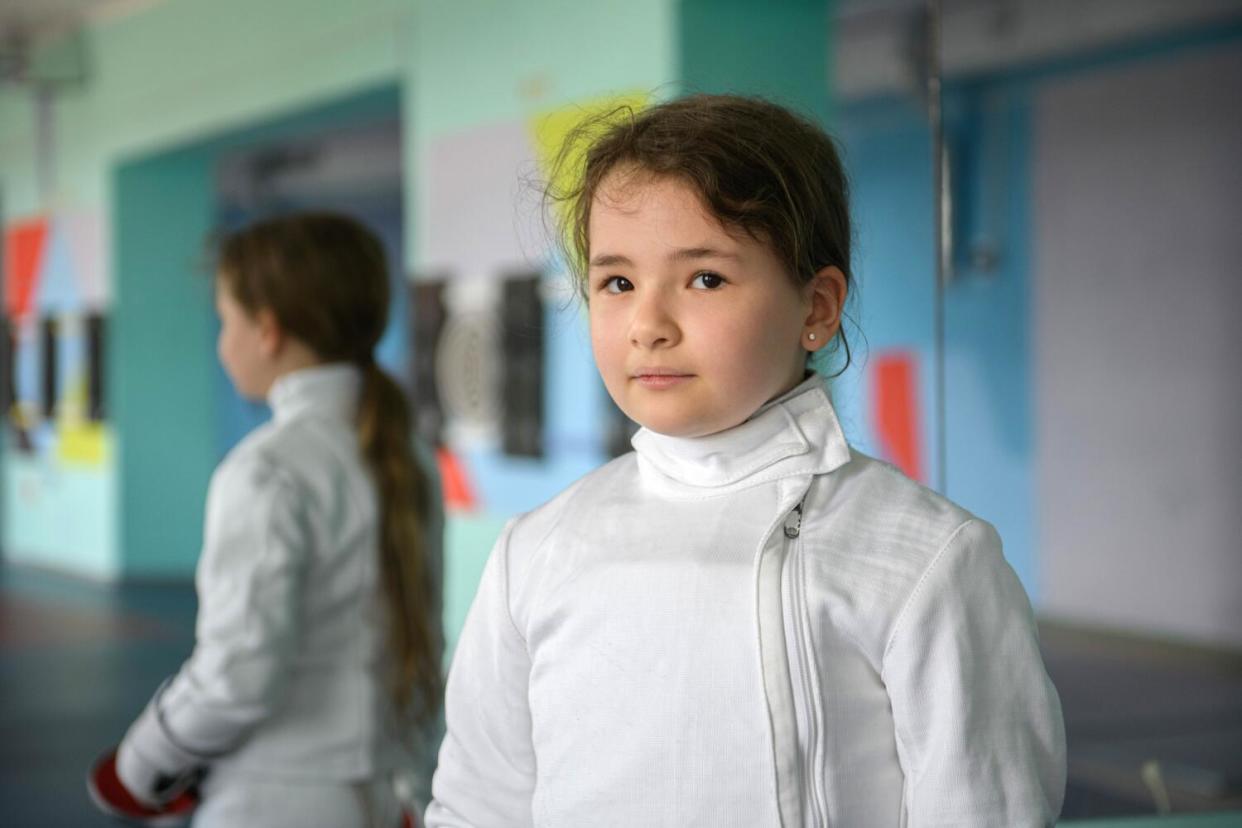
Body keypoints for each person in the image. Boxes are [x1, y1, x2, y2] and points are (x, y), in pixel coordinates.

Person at [426, 94, 1065, 827]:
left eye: (705, 279)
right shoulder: (535, 553)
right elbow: (479, 808)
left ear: (817, 308)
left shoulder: (927, 561)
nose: (648, 325)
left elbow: (983, 810)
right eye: (617, 282)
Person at [112, 212, 444, 827]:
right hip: (384, 796)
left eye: (226, 321)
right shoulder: (411, 457)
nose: (221, 343)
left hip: (273, 802)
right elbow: (420, 647)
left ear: (267, 330)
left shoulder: (265, 469)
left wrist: (137, 766)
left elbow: (236, 676)